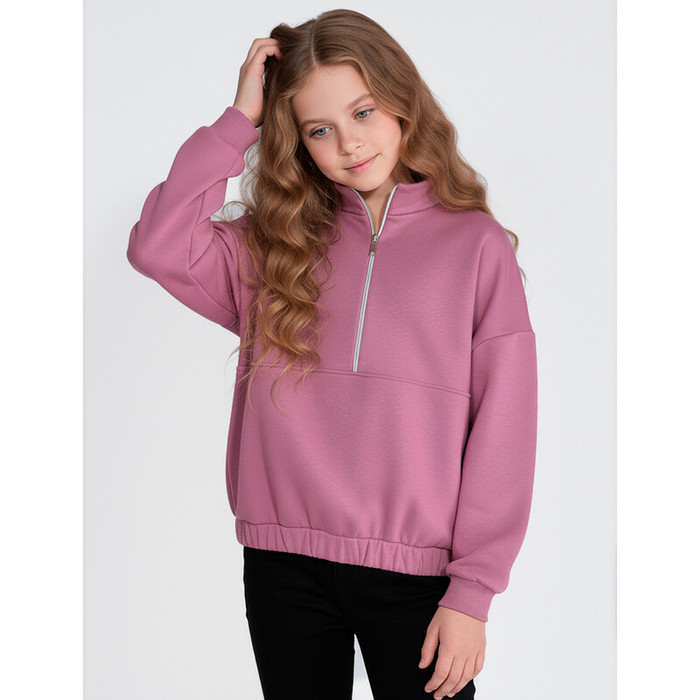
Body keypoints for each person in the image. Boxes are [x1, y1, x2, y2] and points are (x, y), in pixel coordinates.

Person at [126, 8, 538, 700]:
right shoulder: (273, 245)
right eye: (319, 129)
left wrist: (473, 591)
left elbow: (506, 425)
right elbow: (157, 246)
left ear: (402, 99)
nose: (349, 143)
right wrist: (238, 121)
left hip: (417, 574)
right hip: (283, 562)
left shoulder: (475, 246)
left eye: (363, 112)